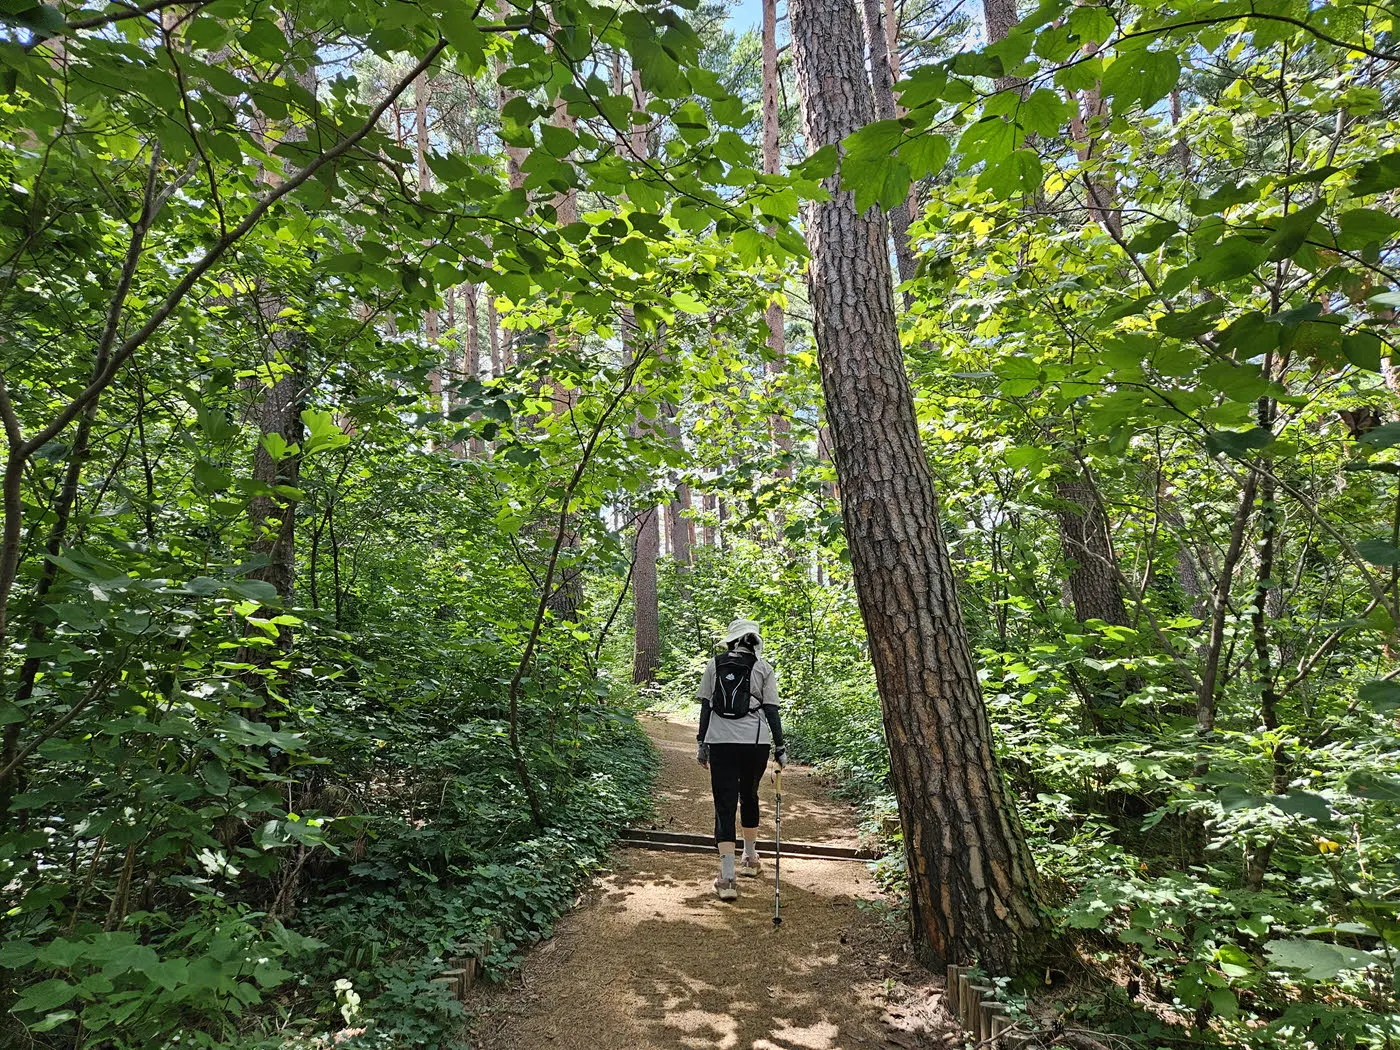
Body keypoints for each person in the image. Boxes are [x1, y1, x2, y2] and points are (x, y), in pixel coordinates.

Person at [695, 617, 785, 901]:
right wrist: (780, 748)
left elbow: (706, 706)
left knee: (724, 803)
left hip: (721, 741)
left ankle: (728, 876)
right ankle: (750, 858)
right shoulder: (763, 667)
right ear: (755, 641)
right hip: (755, 743)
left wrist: (702, 743)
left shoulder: (714, 664)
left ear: (732, 639)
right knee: (749, 794)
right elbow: (771, 709)